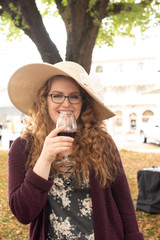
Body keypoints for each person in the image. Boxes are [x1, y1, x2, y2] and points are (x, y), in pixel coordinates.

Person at [8, 61, 144, 240]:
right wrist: (45, 159)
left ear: (83, 103)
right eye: (57, 95)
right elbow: (23, 213)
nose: (66, 103)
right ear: (44, 100)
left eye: (74, 96)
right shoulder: (22, 147)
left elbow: (123, 199)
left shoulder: (102, 142)